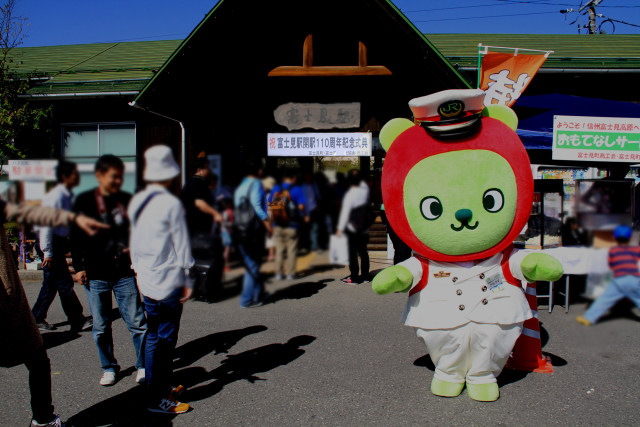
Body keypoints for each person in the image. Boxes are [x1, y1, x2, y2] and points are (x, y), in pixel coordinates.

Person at [0, 197, 107, 427]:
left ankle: (44, 418)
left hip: (10, 294)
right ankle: (44, 419)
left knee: (54, 290)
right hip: (6, 298)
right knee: (37, 358)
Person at [129, 146, 195, 415]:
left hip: (146, 278)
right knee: (166, 340)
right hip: (168, 280)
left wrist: (136, 271)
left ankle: (155, 386)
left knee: (154, 336)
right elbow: (182, 245)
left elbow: (132, 243)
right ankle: (159, 396)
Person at [71, 155, 147, 387]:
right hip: (96, 272)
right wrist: (79, 267)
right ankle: (108, 367)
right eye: (113, 176)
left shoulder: (127, 199)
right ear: (99, 176)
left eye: (120, 176)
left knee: (137, 322)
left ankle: (143, 365)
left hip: (123, 271)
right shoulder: (84, 201)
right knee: (101, 325)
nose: (118, 181)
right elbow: (75, 237)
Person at [32, 160, 92, 333]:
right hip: (50, 244)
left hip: (54, 244)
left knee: (50, 284)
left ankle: (36, 317)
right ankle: (77, 320)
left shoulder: (65, 195)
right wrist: (48, 252)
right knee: (65, 283)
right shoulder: (56, 196)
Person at [577, 225, 640, 325]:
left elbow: (611, 264)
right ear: (631, 238)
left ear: (614, 238)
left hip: (619, 279)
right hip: (634, 279)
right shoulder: (636, 250)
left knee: (604, 299)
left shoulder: (613, 250)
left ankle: (588, 318)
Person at [180, 158, 223, 302]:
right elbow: (200, 203)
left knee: (195, 261)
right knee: (207, 261)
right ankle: (206, 291)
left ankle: (197, 290)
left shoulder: (188, 184)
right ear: (200, 169)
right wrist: (215, 214)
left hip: (191, 228)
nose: (209, 170)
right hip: (199, 229)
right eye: (207, 168)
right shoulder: (198, 183)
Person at [234, 159, 272, 308]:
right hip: (253, 230)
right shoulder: (256, 184)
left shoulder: (241, 186)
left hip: (240, 229)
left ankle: (258, 294)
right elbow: (257, 207)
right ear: (258, 171)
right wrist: (268, 225)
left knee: (252, 263)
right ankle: (246, 299)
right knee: (253, 265)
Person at [268, 170, 309, 280]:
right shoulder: (296, 189)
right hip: (292, 224)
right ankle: (290, 273)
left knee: (279, 250)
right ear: (293, 178)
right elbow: (301, 207)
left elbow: (269, 204)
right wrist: (305, 215)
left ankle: (278, 273)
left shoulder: (276, 188)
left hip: (278, 224)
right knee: (291, 249)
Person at [336, 169, 370, 285]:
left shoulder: (350, 194)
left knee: (352, 254)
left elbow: (345, 213)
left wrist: (339, 229)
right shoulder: (365, 191)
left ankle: (354, 277)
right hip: (364, 228)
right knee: (363, 253)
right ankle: (365, 276)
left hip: (352, 229)